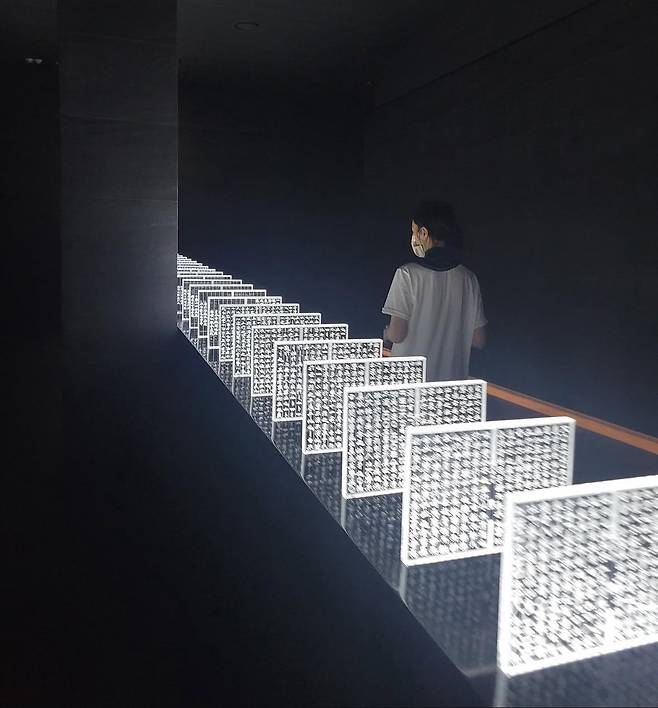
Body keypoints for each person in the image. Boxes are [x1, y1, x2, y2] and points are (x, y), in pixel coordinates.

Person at [382, 200, 487, 381]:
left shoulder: (407, 274)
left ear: (424, 233)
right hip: (450, 388)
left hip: (409, 384)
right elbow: (479, 340)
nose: (413, 238)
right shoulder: (468, 279)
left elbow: (397, 334)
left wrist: (387, 333)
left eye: (414, 232)